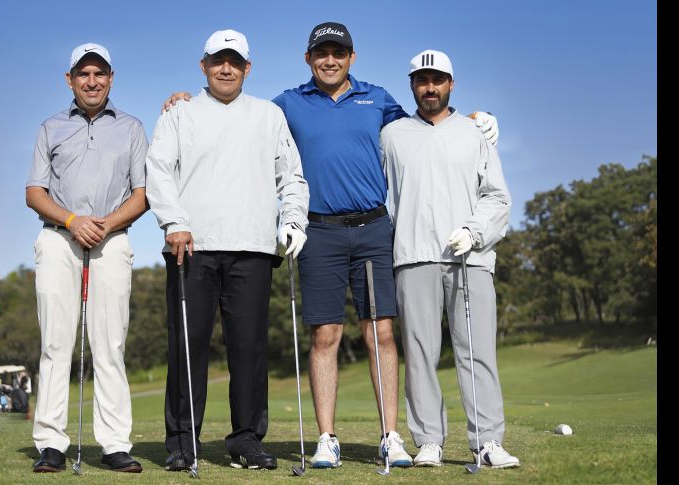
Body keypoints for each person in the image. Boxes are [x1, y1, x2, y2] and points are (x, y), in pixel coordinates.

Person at [160, 22, 498, 469]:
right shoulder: (285, 105)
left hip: (375, 228)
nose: (330, 60)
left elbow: (428, 126)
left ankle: (392, 436)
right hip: (320, 232)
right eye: (322, 52)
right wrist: (182, 99)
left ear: (351, 57)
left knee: (381, 332)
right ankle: (326, 438)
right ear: (309, 58)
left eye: (339, 52)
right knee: (325, 334)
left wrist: (470, 119)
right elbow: (236, 117)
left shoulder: (379, 100)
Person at [145, 29, 309, 472]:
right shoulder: (180, 113)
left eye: (234, 61)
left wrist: (293, 219)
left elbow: (291, 176)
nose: (226, 68)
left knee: (249, 350)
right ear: (204, 65)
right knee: (187, 346)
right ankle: (183, 442)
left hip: (253, 248)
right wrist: (174, 222)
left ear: (247, 68)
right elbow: (158, 171)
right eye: (218, 60)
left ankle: (246, 439)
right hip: (190, 248)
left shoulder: (269, 115)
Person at [381, 49, 520, 468]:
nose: (430, 87)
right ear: (412, 85)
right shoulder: (391, 135)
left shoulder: (476, 133)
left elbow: (497, 197)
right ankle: (428, 441)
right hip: (414, 256)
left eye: (437, 79)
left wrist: (474, 232)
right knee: (420, 353)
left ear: (451, 84)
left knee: (477, 351)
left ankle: (487, 441)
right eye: (422, 80)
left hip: (471, 259)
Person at [25, 42, 148, 473]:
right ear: (70, 80)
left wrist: (106, 224)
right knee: (56, 342)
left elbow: (142, 194)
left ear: (111, 79)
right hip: (59, 237)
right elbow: (34, 193)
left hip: (112, 239)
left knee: (110, 343)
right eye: (83, 74)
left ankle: (114, 444)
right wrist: (74, 220)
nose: (92, 82)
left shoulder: (132, 127)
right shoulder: (50, 127)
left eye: (100, 74)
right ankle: (51, 444)